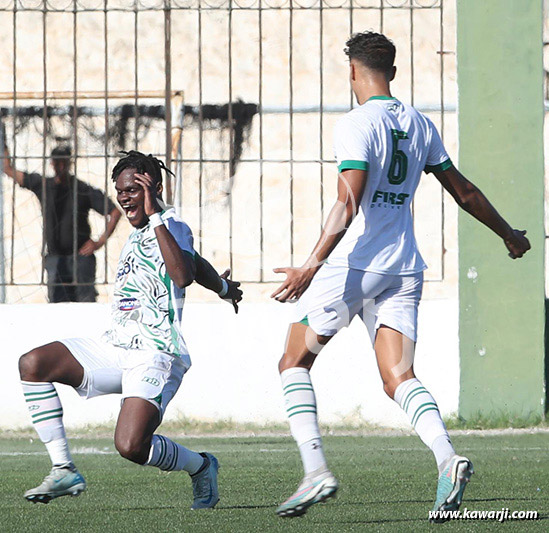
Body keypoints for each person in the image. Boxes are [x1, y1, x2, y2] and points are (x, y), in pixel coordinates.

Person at [271, 31, 530, 521]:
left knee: (293, 362)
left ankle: (315, 471)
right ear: (392, 71)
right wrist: (507, 233)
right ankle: (447, 459)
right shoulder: (418, 123)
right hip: (405, 268)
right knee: (398, 377)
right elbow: (465, 191)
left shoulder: (355, 124)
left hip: (357, 265)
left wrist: (312, 264)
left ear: (353, 71)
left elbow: (348, 199)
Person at [18, 150, 243, 508]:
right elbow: (197, 265)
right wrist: (225, 288)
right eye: (121, 191)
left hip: (156, 351)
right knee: (33, 364)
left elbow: (183, 273)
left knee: (130, 446)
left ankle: (200, 466)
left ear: (153, 187)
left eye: (133, 189)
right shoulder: (139, 233)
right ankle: (63, 468)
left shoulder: (171, 225)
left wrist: (155, 215)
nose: (124, 197)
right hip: (116, 346)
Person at [2, 145, 121, 302]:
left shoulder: (81, 188)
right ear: (52, 163)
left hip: (81, 258)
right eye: (58, 162)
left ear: (70, 163)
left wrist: (99, 242)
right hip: (55, 258)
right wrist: (3, 144)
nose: (61, 166)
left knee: (86, 304)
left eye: (64, 162)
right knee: (57, 306)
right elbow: (9, 170)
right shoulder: (43, 185)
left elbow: (115, 211)